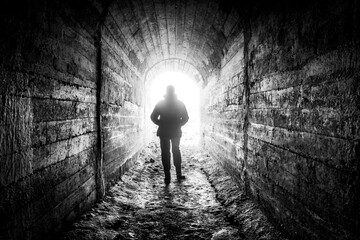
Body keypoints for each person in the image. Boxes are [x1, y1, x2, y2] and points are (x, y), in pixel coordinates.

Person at [150, 85, 189, 184]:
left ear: (166, 92)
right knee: (176, 150)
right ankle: (179, 174)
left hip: (164, 132)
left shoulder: (161, 103)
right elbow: (186, 118)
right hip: (175, 131)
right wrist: (179, 124)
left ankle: (167, 177)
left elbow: (153, 116)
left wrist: (161, 123)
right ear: (174, 92)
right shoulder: (180, 103)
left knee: (165, 153)